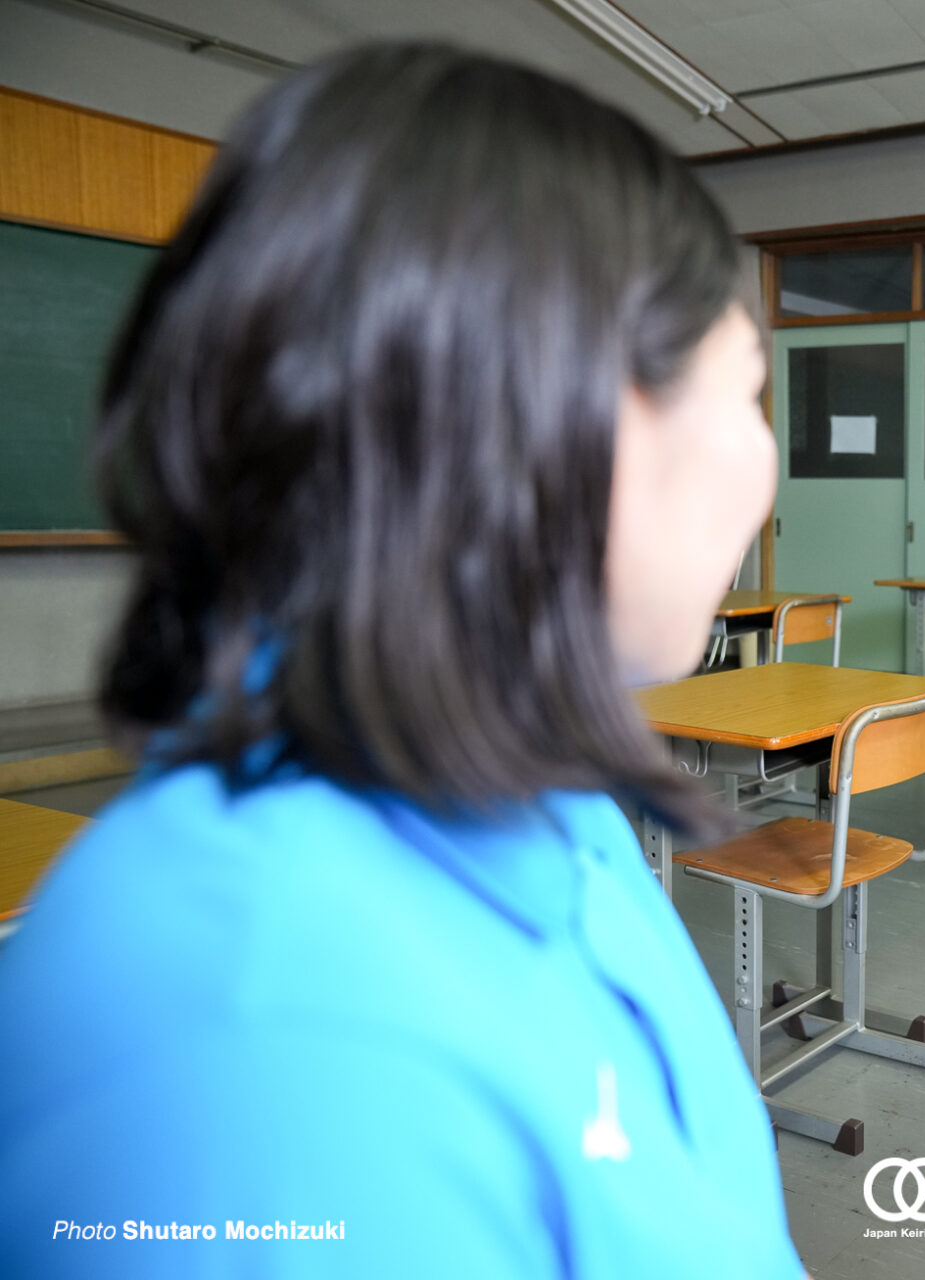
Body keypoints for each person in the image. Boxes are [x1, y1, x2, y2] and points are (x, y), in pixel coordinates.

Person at [0, 44, 806, 1277]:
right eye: (746, 394)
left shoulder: (533, 782)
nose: (765, 468)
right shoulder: (256, 1053)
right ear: (557, 413)